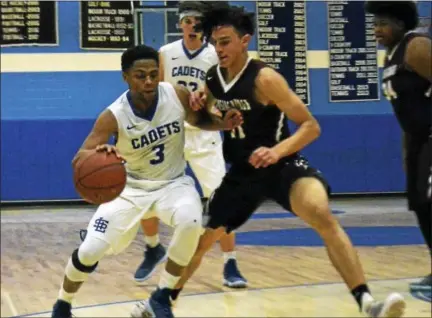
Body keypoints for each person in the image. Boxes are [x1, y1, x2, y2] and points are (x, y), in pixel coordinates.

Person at [132, 5, 407, 318]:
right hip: (242, 174)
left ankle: (368, 304)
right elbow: (210, 118)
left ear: (244, 40)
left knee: (320, 212)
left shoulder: (264, 78)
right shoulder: (213, 78)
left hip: (281, 166)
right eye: (215, 43)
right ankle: (160, 303)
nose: (218, 49)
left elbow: (310, 126)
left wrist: (277, 151)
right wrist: (200, 107)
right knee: (199, 240)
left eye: (225, 41)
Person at [51, 44, 242, 318]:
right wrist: (100, 152)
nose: (149, 81)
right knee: (90, 250)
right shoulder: (113, 115)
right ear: (125, 77)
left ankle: (161, 297)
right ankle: (63, 304)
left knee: (191, 221)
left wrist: (223, 123)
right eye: (141, 75)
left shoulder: (175, 93)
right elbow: (79, 157)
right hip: (130, 189)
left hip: (173, 184)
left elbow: (200, 119)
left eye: (154, 74)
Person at [133, 1, 247, 289]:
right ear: (180, 24)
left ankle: (230, 262)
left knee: (223, 200)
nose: (192, 26)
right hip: (172, 134)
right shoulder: (166, 53)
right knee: (146, 190)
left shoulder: (216, 54)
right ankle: (152, 247)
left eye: (198, 22)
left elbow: (225, 93)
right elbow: (156, 90)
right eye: (188, 21)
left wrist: (207, 99)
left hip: (205, 133)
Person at [365, 1, 431, 293]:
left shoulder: (416, 46)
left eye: (383, 23)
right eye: (374, 24)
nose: (377, 30)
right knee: (419, 203)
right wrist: (409, 152)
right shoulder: (391, 56)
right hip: (417, 139)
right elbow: (406, 111)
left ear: (402, 24)